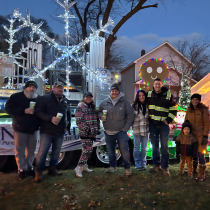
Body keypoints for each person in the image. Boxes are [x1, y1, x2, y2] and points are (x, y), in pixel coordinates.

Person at [35, 82, 71, 182]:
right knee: (42, 152)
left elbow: (68, 114)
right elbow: (38, 112)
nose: (60, 89)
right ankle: (39, 172)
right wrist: (50, 118)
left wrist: (67, 126)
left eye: (62, 88)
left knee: (56, 152)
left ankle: (52, 169)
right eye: (58, 88)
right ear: (53, 88)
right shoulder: (45, 98)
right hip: (47, 130)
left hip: (60, 131)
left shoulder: (65, 100)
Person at [5, 80, 40, 180]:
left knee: (32, 151)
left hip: (34, 129)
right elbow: (8, 109)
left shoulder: (39, 99)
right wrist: (23, 111)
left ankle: (28, 168)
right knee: (19, 150)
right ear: (25, 88)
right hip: (20, 129)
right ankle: (21, 169)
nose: (32, 89)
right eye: (30, 87)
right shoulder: (16, 97)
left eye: (34, 87)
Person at [98, 83, 134, 176]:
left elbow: (130, 115)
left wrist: (126, 128)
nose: (114, 92)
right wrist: (100, 116)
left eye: (116, 91)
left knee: (124, 151)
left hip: (120, 132)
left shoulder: (124, 102)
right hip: (108, 131)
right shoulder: (105, 102)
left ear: (119, 92)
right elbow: (99, 111)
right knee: (110, 151)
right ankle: (112, 167)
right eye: (112, 91)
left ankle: (127, 168)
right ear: (110, 92)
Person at [147, 78, 177, 176]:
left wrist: (168, 120)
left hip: (163, 125)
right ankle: (156, 165)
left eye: (159, 84)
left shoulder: (169, 95)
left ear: (161, 85)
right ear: (153, 85)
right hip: (153, 125)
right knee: (155, 146)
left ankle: (165, 167)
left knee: (164, 147)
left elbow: (174, 109)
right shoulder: (149, 95)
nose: (157, 86)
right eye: (156, 84)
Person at [74, 92, 100, 178]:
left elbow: (96, 119)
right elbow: (79, 120)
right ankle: (79, 167)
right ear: (84, 98)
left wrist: (97, 128)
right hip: (85, 133)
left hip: (92, 133)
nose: (88, 98)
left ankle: (84, 165)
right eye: (87, 97)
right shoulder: (80, 107)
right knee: (87, 150)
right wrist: (87, 130)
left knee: (88, 150)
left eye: (90, 97)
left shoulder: (93, 107)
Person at [185, 93, 209, 181]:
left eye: (196, 99)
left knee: (200, 153)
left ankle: (201, 174)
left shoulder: (203, 110)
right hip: (191, 135)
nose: (194, 101)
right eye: (193, 99)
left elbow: (207, 124)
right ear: (191, 100)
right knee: (192, 153)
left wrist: (205, 136)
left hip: (201, 135)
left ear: (199, 101)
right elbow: (186, 122)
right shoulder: (189, 109)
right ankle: (194, 169)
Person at [132, 90, 149, 170]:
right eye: (139, 96)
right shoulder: (134, 106)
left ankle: (143, 163)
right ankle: (138, 164)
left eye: (143, 95)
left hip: (146, 130)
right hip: (137, 129)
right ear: (137, 97)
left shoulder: (148, 105)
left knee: (144, 148)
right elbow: (130, 117)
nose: (141, 97)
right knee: (136, 147)